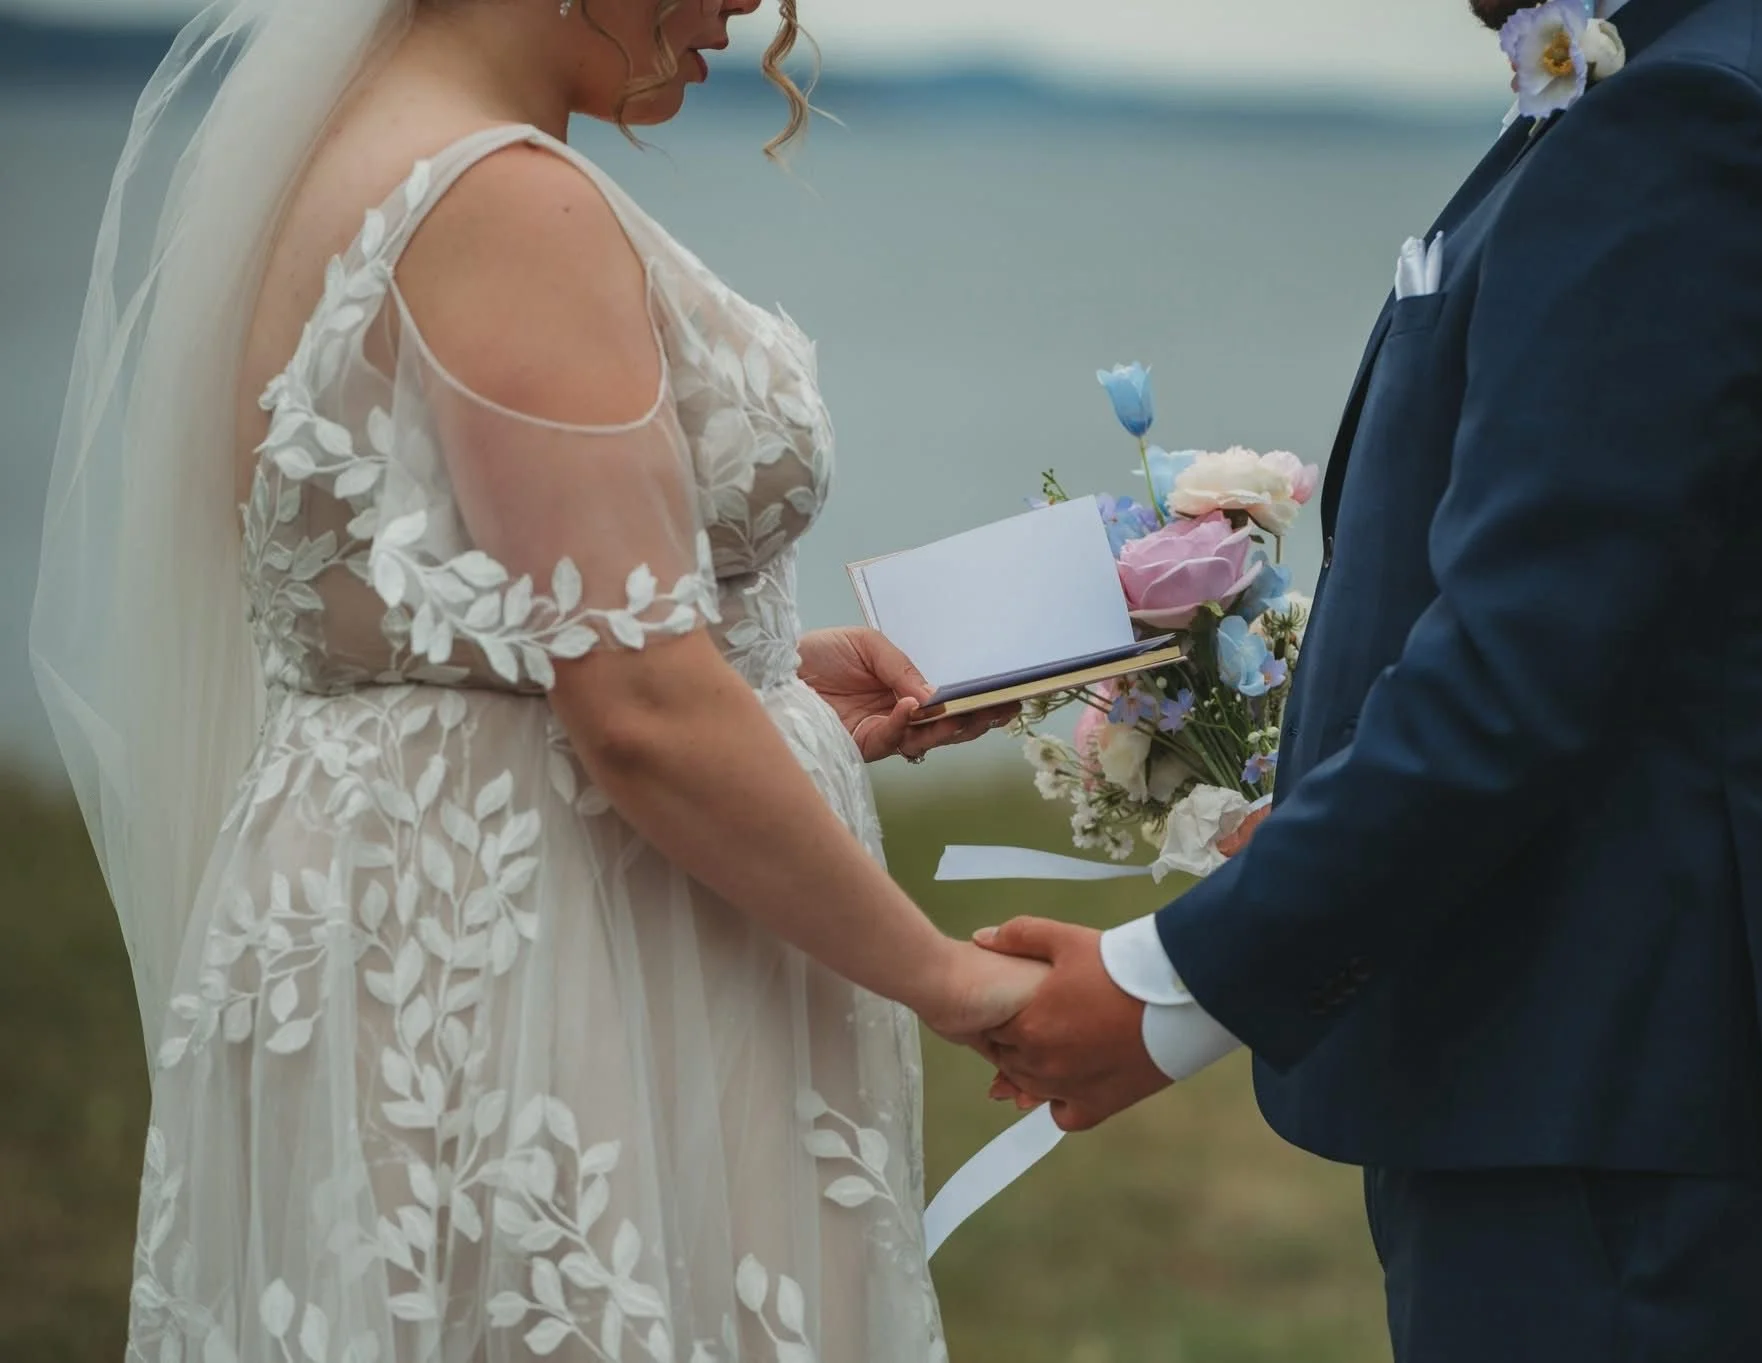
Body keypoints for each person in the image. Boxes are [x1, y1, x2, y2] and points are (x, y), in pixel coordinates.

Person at [978, 0, 1762, 1359]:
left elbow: (1527, 654)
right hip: (1647, 1063)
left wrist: (1171, 989)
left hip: (1607, 1078)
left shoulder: (1696, 118)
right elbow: (1654, 612)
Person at [31, 2, 1038, 1359]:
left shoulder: (339, 161)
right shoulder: (507, 203)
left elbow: (442, 633)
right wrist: (953, 982)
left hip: (412, 931)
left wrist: (767, 687)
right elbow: (633, 712)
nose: (749, 8)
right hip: (549, 981)